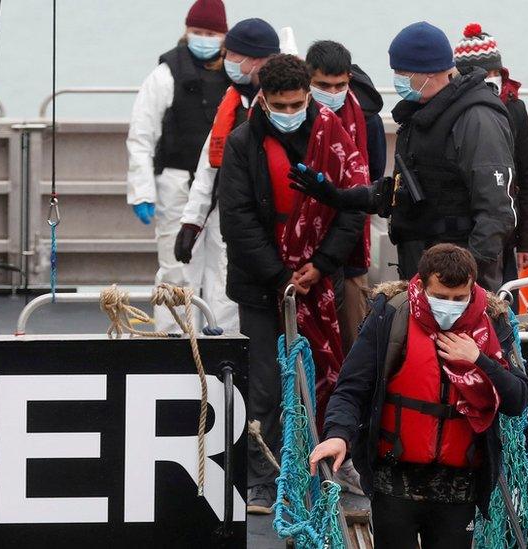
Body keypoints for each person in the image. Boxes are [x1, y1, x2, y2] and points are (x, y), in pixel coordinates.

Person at [217, 54, 367, 514]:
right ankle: (263, 477)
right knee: (264, 387)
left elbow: (352, 204)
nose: (288, 113)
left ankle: (336, 467)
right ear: (262, 100)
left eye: (296, 105)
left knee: (330, 375)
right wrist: (280, 275)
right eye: (279, 106)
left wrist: (321, 264)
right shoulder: (243, 144)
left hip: (321, 282)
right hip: (263, 287)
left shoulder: (333, 137)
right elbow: (237, 221)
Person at [310, 243, 528, 549]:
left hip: (459, 487)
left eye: (458, 299)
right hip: (394, 481)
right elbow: (351, 388)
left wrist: (479, 360)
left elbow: (517, 400)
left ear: (472, 289)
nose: (449, 305)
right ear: (422, 284)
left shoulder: (492, 323)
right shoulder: (391, 315)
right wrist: (338, 435)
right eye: (440, 297)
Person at [388, 21, 517, 291]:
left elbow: (496, 213)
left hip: (459, 286)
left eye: (403, 73)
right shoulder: (421, 113)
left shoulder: (477, 119)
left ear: (429, 73)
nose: (398, 80)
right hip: (423, 273)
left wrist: (460, 277)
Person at [172, 17, 282, 334]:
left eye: (233, 55)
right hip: (233, 219)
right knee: (224, 293)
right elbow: (209, 165)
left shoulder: (286, 103)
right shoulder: (234, 102)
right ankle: (223, 358)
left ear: (257, 59)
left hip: (272, 225)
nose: (226, 62)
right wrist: (191, 222)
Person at [125, 0, 230, 332]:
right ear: (186, 31)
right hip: (177, 186)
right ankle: (173, 346)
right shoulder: (165, 74)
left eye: (211, 33)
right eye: (197, 32)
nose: (203, 38)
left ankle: (224, 339)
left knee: (225, 270)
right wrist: (142, 191)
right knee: (176, 271)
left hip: (225, 188)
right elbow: (141, 136)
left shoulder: (236, 74)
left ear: (223, 36)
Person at [305, 39, 386, 350]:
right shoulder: (300, 116)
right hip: (305, 247)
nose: (333, 93)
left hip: (351, 247)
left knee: (353, 337)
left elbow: (373, 182)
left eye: (340, 85)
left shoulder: (367, 121)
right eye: (323, 85)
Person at [453, 23, 528, 289]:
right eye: (484, 73)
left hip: (506, 231)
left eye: (495, 72)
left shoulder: (514, 109)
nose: (491, 78)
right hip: (467, 229)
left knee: (504, 300)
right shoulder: (459, 111)